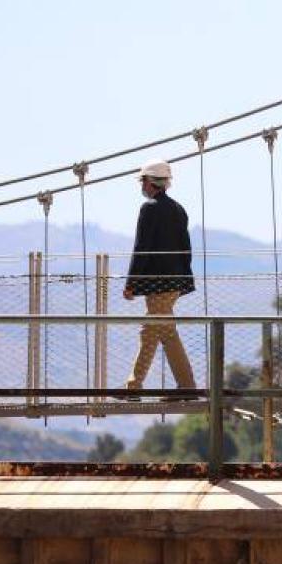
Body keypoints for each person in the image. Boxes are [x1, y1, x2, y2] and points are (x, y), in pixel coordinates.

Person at [123, 159, 197, 397]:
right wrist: (184, 279)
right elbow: (186, 248)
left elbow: (142, 248)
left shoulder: (150, 208)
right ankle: (183, 388)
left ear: (151, 182)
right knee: (161, 331)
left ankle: (135, 388)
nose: (141, 185)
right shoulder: (178, 209)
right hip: (174, 282)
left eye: (142, 180)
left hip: (158, 283)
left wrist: (131, 283)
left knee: (154, 330)